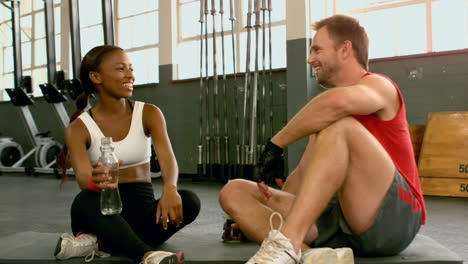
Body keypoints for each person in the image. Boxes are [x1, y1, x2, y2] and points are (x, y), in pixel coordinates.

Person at [219, 14, 426, 264]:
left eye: (317, 49)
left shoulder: (380, 86)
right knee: (234, 190)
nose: (310, 59)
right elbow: (301, 179)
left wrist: (275, 146)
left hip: (394, 220)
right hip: (340, 221)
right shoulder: (327, 123)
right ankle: (308, 257)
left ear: (345, 49)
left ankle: (287, 244)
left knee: (340, 125)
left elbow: (337, 103)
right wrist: (260, 211)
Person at [55, 45, 200, 264]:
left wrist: (170, 188)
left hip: (142, 211)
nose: (130, 75)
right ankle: (147, 255)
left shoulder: (149, 113)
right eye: (121, 69)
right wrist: (95, 180)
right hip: (101, 212)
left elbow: (168, 159)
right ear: (96, 77)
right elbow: (84, 178)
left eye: (131, 68)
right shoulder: (78, 128)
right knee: (85, 199)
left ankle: (98, 243)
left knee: (189, 200)